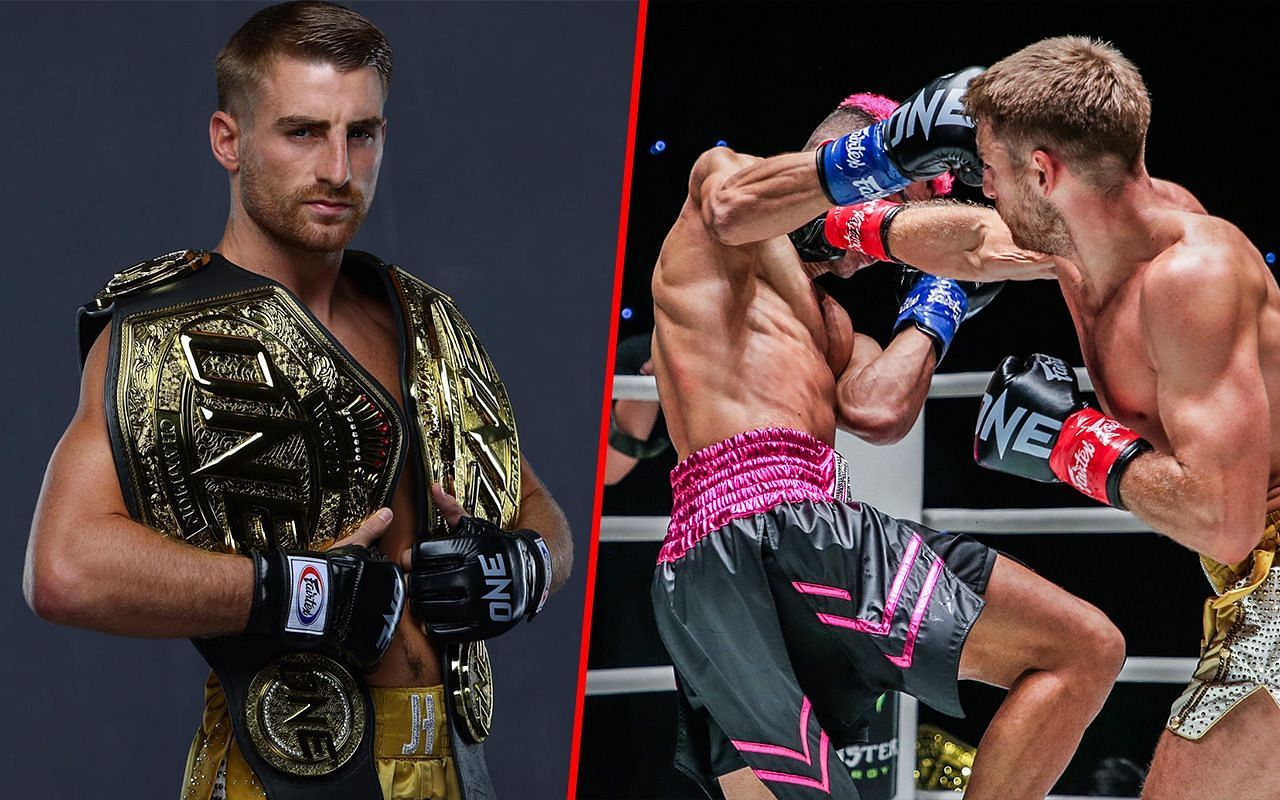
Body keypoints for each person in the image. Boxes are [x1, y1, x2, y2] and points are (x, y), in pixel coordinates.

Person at [22, 3, 571, 799]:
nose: (339, 170)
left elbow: (534, 505)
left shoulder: (422, 318)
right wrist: (293, 593)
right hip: (282, 760)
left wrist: (522, 568)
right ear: (228, 139)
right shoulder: (164, 332)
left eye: (363, 134)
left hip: (456, 764)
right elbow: (64, 568)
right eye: (303, 132)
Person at [648, 71, 1126, 800]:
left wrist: (941, 298)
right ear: (859, 157)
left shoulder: (834, 325)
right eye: (901, 206)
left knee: (1084, 648)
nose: (881, 254)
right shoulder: (725, 194)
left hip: (819, 534)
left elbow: (880, 410)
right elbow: (732, 201)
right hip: (737, 537)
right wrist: (887, 166)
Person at [965, 36, 1280, 800]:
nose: (983, 189)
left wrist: (1071, 442)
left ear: (1043, 171)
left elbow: (1224, 518)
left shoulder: (1189, 278)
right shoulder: (1081, 245)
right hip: (1247, 581)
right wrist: (845, 213)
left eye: (990, 172)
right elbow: (967, 241)